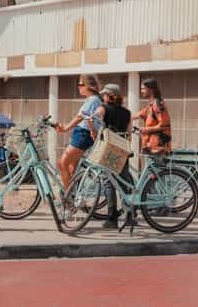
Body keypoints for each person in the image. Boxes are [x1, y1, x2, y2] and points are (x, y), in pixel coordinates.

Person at [93, 83, 132, 229]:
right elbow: (129, 134)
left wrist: (92, 123)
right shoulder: (127, 112)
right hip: (122, 149)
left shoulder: (103, 108)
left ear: (110, 96)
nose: (103, 97)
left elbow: (95, 116)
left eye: (104, 94)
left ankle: (112, 218)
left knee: (109, 183)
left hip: (109, 149)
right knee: (124, 182)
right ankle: (130, 216)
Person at [56, 74, 103, 189]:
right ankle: (75, 196)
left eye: (81, 84)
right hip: (83, 134)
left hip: (83, 134)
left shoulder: (93, 100)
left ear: (88, 86)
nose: (78, 87)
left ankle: (69, 197)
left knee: (62, 163)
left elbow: (80, 117)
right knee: (72, 169)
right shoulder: (93, 100)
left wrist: (66, 128)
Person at [134, 78, 172, 155]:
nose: (141, 91)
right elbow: (138, 114)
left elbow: (164, 125)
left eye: (143, 89)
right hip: (151, 145)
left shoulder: (158, 104)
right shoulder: (151, 105)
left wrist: (146, 130)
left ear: (151, 89)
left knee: (156, 166)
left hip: (158, 146)